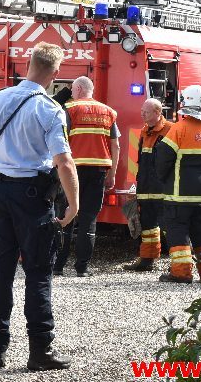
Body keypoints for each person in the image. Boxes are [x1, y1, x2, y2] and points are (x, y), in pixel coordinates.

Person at [0, 42, 79, 371]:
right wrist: (73, 205)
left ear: (29, 63)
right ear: (55, 74)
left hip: (0, 194)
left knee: (0, 273)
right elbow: (64, 162)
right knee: (38, 275)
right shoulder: (50, 109)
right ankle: (40, 351)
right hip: (33, 200)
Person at [154, 85, 201, 284]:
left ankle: (181, 273)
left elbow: (162, 161)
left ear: (185, 103)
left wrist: (164, 181)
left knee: (178, 232)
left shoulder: (178, 129)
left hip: (179, 195)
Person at [53, 76, 120, 277]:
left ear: (80, 89)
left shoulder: (70, 109)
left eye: (73, 90)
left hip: (72, 171)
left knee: (67, 215)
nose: (71, 93)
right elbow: (116, 145)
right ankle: (82, 268)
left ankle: (58, 266)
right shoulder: (108, 112)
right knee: (89, 219)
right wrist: (113, 174)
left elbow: (59, 139)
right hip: (98, 171)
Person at [124, 98, 173, 272]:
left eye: (146, 111)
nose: (142, 113)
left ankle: (180, 262)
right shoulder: (145, 131)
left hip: (163, 189)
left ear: (158, 112)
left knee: (170, 227)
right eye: (142, 110)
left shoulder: (170, 130)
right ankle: (147, 260)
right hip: (146, 188)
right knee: (148, 227)